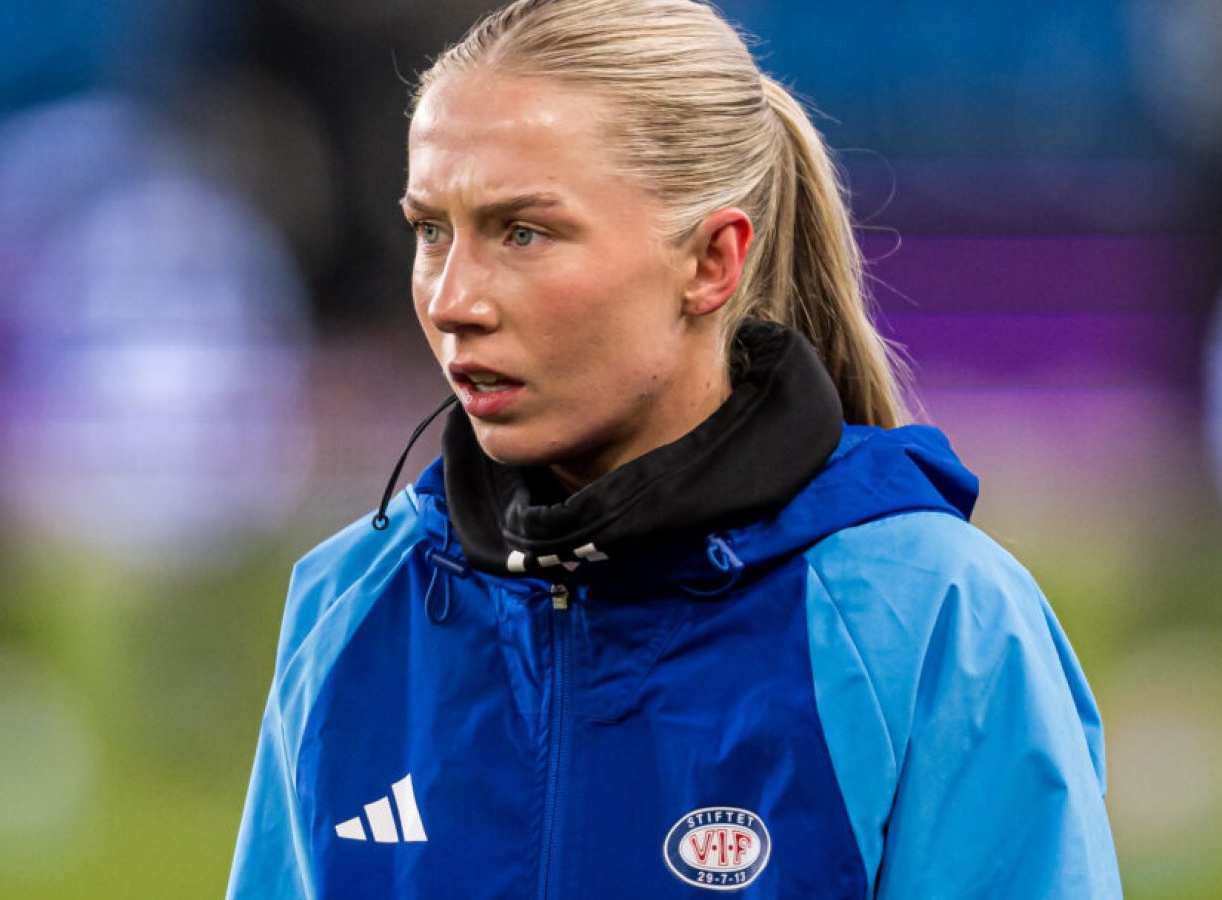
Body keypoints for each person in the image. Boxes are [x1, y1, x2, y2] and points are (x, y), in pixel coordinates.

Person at [227, 0, 1122, 896]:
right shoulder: (349, 608)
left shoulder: (933, 617)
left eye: (523, 233)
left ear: (711, 263)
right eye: (432, 231)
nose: (454, 298)